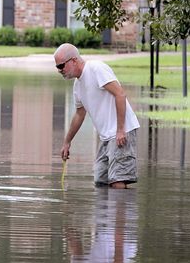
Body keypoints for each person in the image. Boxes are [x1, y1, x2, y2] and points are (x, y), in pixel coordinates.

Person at [56, 42, 141, 188]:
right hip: (106, 137)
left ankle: (121, 209)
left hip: (120, 132)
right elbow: (79, 115)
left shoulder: (96, 68)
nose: (59, 70)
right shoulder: (78, 86)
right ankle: (108, 210)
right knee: (101, 180)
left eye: (61, 66)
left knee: (117, 180)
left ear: (74, 60)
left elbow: (120, 94)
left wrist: (121, 129)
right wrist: (67, 141)